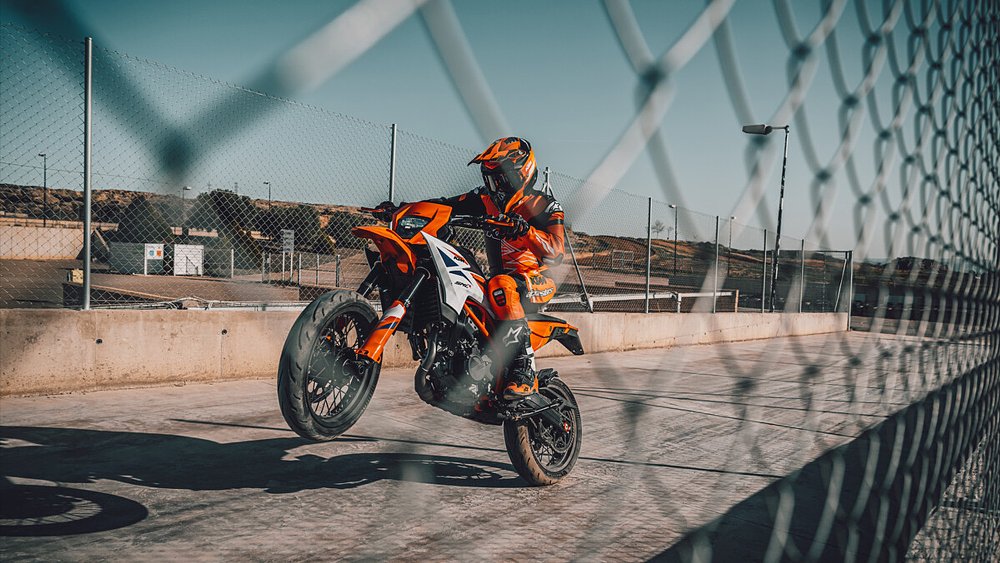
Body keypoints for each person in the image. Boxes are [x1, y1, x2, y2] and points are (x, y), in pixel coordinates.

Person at [377, 137, 565, 400]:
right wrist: (404, 210)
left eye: (499, 178)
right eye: (490, 179)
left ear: (520, 173)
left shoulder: (544, 204)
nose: (493, 186)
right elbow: (444, 205)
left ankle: (522, 371)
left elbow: (556, 251)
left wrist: (525, 231)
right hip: (497, 282)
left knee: (502, 285)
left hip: (535, 280)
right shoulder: (485, 199)